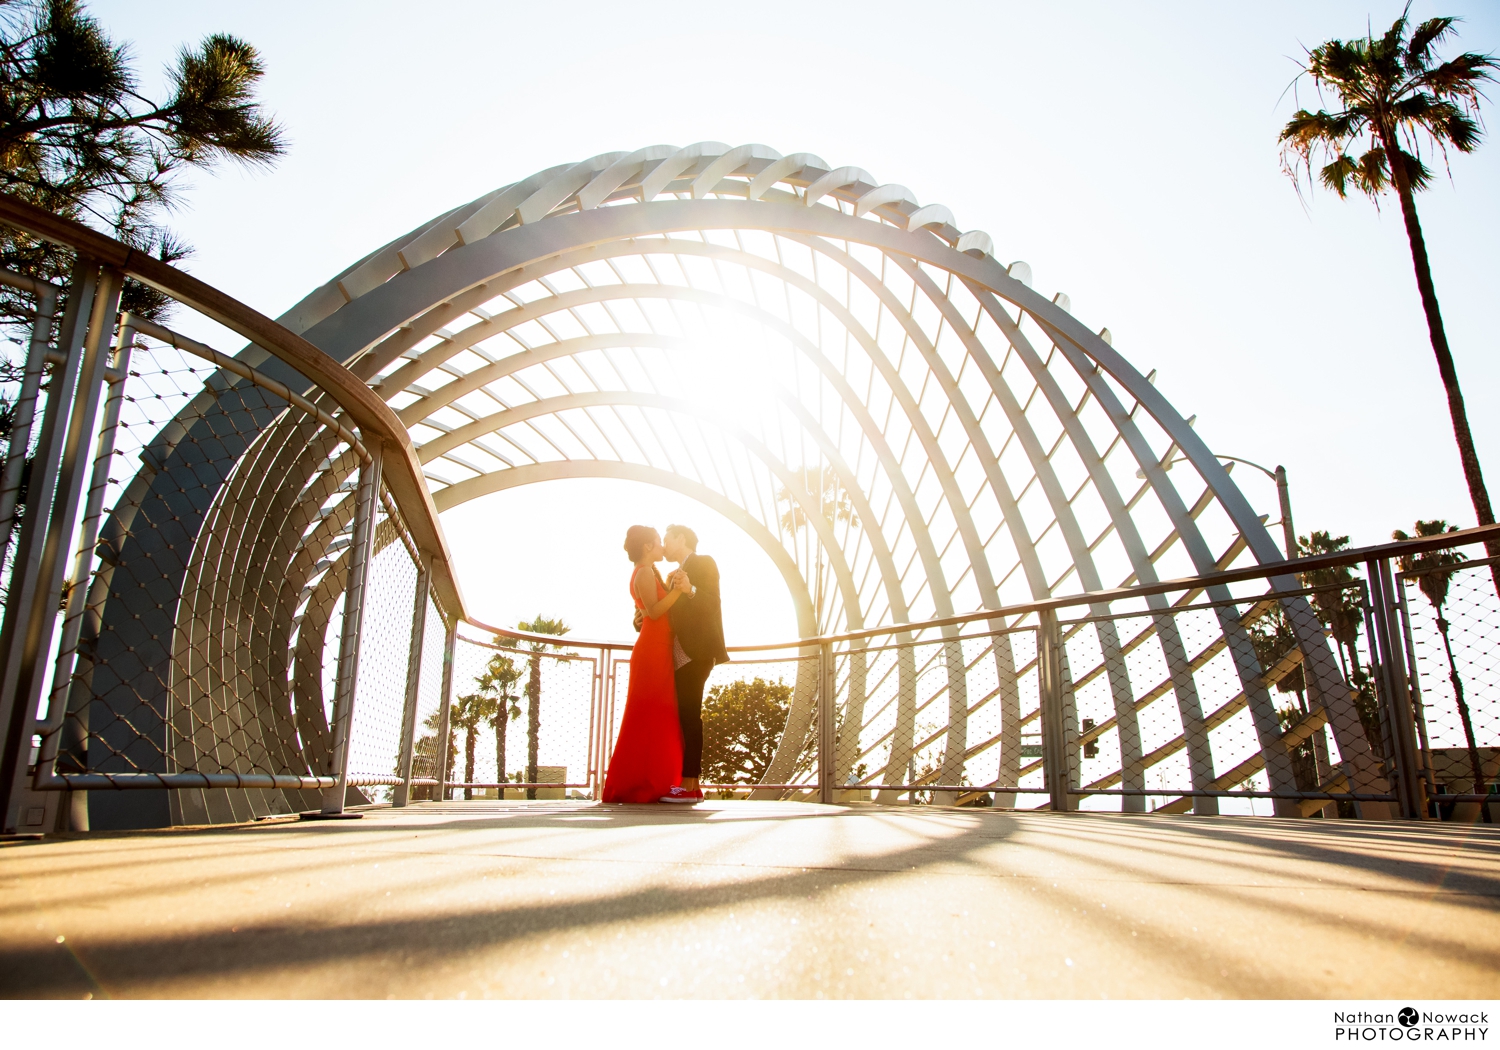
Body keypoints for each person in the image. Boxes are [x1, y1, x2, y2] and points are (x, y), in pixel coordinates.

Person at [602, 526, 688, 804]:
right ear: (649, 546)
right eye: (659, 543)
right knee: (648, 715)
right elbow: (653, 610)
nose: (663, 547)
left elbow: (644, 612)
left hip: (658, 648)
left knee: (658, 716)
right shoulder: (643, 571)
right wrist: (677, 591)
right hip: (652, 650)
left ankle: (656, 781)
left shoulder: (649, 572)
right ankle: (640, 785)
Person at [658, 524, 729, 804]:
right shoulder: (671, 575)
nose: (663, 544)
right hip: (676, 655)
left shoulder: (704, 562)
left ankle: (690, 786)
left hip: (697, 652)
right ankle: (684, 783)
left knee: (690, 715)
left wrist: (691, 589)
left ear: (681, 538)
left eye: (666, 539)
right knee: (679, 716)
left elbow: (713, 603)